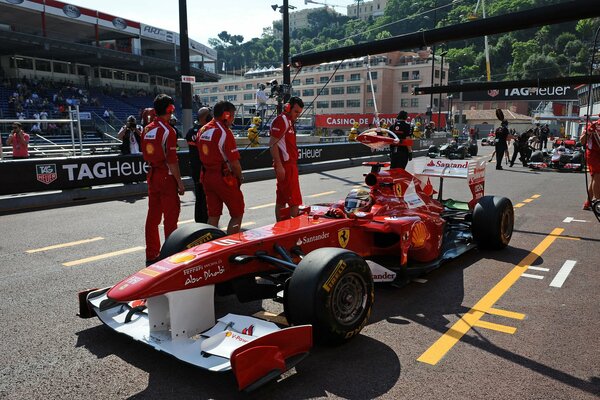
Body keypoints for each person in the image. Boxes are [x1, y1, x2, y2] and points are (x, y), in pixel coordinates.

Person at [141, 94, 185, 265]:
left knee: (153, 217)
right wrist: (180, 183)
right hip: (166, 176)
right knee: (171, 216)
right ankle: (170, 254)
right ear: (169, 109)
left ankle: (152, 254)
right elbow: (172, 161)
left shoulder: (147, 128)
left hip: (152, 175)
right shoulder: (168, 131)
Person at [197, 101, 244, 234]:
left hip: (206, 176)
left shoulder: (203, 129)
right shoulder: (224, 132)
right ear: (226, 115)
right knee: (237, 213)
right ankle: (232, 246)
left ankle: (210, 248)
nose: (233, 119)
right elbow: (234, 163)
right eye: (232, 115)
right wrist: (240, 177)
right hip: (222, 177)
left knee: (213, 215)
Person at [269, 96, 304, 221]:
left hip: (289, 165)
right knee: (294, 202)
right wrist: (279, 165)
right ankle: (293, 234)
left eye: (299, 113)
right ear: (288, 107)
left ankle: (281, 229)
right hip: (286, 166)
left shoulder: (289, 121)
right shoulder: (281, 120)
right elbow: (272, 143)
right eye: (295, 112)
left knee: (282, 199)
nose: (297, 115)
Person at [185, 107, 212, 223]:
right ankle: (205, 223)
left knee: (199, 196)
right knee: (206, 198)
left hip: (195, 168)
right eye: (209, 115)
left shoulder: (190, 132)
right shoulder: (206, 131)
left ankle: (199, 221)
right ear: (205, 117)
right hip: (204, 169)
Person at [580, 119, 600, 210]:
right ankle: (598, 201)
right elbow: (582, 141)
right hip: (593, 154)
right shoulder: (592, 125)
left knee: (593, 179)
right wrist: (588, 131)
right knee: (598, 177)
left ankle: (588, 202)